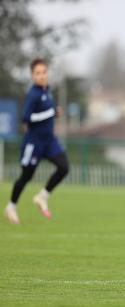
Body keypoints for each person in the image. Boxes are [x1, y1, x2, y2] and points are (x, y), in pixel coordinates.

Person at [4, 58, 69, 224]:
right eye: (38, 73)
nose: (42, 76)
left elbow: (49, 112)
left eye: (44, 72)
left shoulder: (48, 91)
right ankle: (11, 206)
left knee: (63, 167)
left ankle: (42, 197)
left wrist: (55, 113)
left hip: (49, 141)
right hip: (34, 143)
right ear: (32, 76)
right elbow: (26, 118)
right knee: (26, 176)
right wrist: (51, 113)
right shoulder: (33, 94)